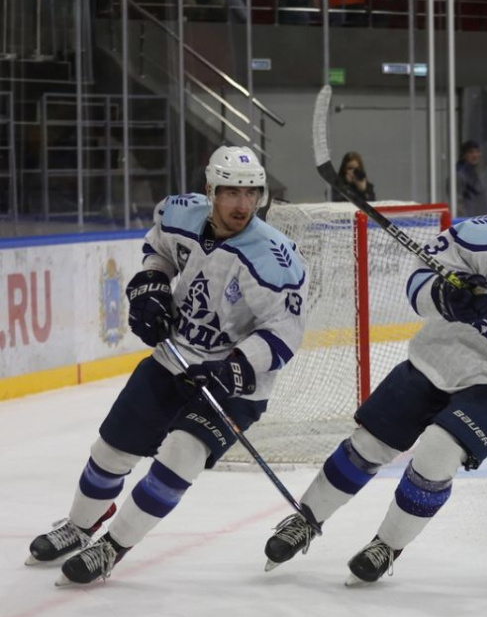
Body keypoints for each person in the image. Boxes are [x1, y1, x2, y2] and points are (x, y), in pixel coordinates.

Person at [262, 157, 487, 585]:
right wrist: (446, 293)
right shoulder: (484, 233)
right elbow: (421, 276)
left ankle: (387, 544)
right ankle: (306, 519)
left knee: (439, 450)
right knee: (368, 445)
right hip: (439, 359)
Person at [26, 146, 308, 585]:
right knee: (111, 450)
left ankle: (112, 547)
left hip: (236, 385)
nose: (242, 204)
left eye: (251, 193)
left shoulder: (275, 258)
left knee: (181, 453)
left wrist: (231, 370)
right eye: (231, 192)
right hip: (173, 358)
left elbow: (283, 334)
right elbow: (158, 249)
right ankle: (80, 526)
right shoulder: (181, 215)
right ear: (210, 190)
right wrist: (151, 285)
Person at [456, 140, 485, 217]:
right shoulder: (460, 174)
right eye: (471, 152)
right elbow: (458, 202)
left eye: (477, 151)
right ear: (464, 155)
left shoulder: (472, 172)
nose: (475, 155)